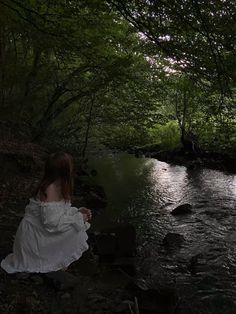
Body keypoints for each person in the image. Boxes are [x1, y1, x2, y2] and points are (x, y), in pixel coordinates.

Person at [1, 152, 92, 273]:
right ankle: (55, 260)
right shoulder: (49, 189)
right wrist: (79, 217)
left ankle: (60, 258)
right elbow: (51, 223)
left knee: (76, 226)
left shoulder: (62, 185)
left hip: (42, 229)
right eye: (70, 166)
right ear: (64, 170)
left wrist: (78, 211)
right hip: (34, 236)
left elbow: (59, 211)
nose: (72, 168)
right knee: (76, 228)